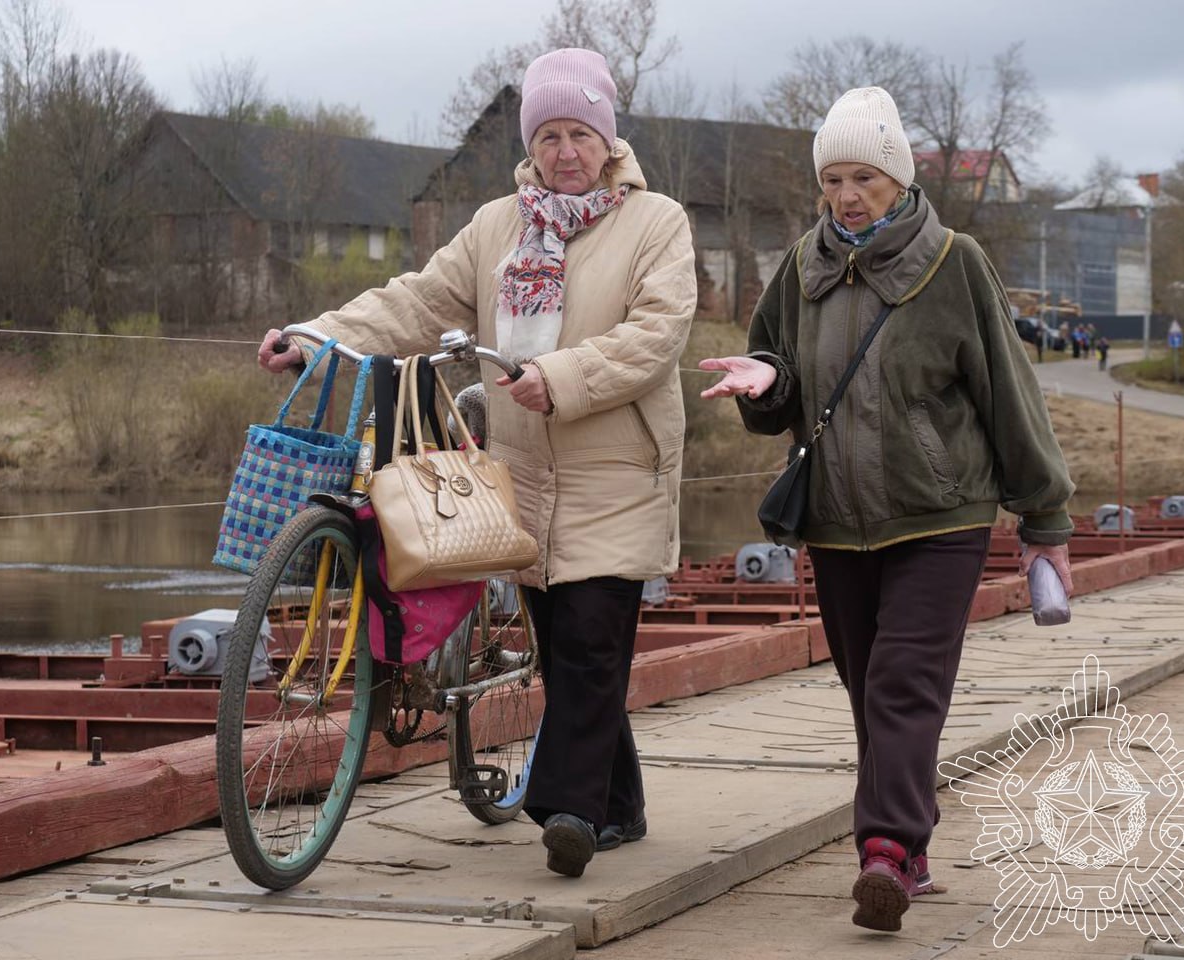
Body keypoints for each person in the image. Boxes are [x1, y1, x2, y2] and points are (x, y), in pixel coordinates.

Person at [257, 48, 696, 879]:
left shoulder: (657, 221)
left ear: (608, 138)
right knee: (567, 644)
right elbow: (418, 300)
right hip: (522, 476)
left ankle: (567, 810)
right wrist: (317, 338)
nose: (566, 151)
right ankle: (622, 804)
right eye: (550, 135)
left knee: (596, 639)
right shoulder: (499, 224)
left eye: (581, 133)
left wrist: (559, 376)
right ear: (531, 144)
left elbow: (656, 335)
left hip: (618, 469)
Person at [698, 87, 1074, 933]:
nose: (847, 194)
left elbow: (1010, 397)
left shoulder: (955, 263)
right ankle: (912, 842)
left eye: (864, 175)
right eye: (832, 178)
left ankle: (887, 852)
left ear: (899, 179)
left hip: (941, 516)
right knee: (869, 689)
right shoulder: (803, 266)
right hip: (837, 519)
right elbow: (776, 379)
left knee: (904, 684)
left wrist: (1043, 519)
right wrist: (765, 386)